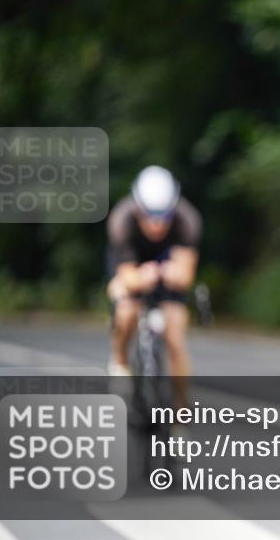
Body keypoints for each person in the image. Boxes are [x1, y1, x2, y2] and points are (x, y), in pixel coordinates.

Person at [106, 165, 201, 411]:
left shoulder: (187, 220)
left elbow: (186, 274)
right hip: (134, 264)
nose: (157, 224)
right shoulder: (122, 220)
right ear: (138, 209)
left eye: (164, 216)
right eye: (149, 216)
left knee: (176, 337)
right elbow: (126, 276)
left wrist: (173, 274)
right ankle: (120, 361)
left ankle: (180, 412)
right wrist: (139, 278)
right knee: (125, 311)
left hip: (167, 266)